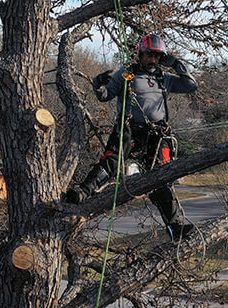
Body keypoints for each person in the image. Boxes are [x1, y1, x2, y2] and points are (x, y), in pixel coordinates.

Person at [64, 33, 198, 241]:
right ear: (140, 55)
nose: (152, 60)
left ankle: (174, 226)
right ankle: (82, 192)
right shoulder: (126, 74)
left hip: (157, 134)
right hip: (130, 129)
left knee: (162, 176)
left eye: (156, 56)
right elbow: (105, 95)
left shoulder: (164, 79)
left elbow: (191, 85)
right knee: (112, 162)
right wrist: (98, 84)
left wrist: (177, 63)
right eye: (148, 56)